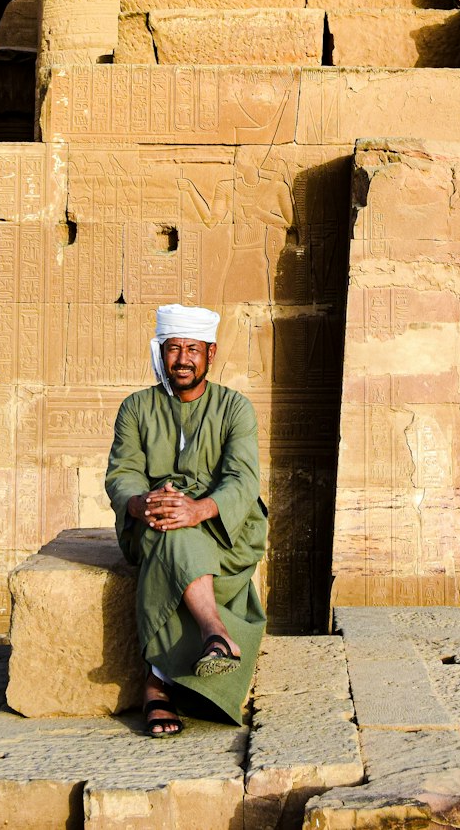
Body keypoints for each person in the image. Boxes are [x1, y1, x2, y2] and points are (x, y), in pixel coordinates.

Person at [105, 303, 268, 737]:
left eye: (191, 349)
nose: (182, 359)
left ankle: (156, 685)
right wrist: (142, 504)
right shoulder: (136, 408)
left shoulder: (235, 409)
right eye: (173, 349)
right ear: (161, 352)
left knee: (178, 530)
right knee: (169, 528)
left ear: (210, 354)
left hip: (224, 532)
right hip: (153, 518)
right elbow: (122, 473)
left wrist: (198, 509)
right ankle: (215, 632)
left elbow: (242, 478)